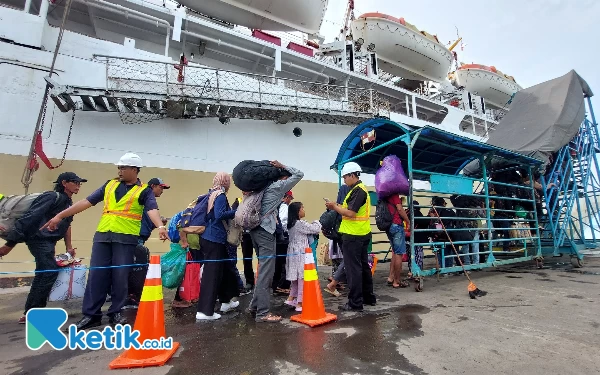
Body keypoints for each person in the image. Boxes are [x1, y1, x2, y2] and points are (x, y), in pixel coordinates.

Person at [42, 153, 168, 330]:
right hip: (103, 236)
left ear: (134, 170)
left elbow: (152, 209)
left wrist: (160, 227)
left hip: (126, 238)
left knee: (120, 276)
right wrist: (60, 216)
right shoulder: (110, 184)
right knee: (96, 275)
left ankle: (116, 312)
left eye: (123, 168)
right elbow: (86, 202)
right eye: (119, 167)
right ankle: (91, 315)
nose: (120, 171)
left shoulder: (144, 190)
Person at [0, 172, 86, 324]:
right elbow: (30, 218)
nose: (78, 185)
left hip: (48, 242)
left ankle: (31, 312)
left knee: (44, 272)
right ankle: (33, 312)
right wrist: (9, 245)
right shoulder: (52, 197)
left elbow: (66, 225)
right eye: (76, 182)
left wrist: (69, 247)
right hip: (38, 240)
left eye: (80, 183)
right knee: (48, 272)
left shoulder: (68, 202)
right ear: (64, 183)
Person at [247, 160, 303, 323]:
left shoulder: (259, 188)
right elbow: (299, 174)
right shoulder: (276, 187)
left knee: (263, 270)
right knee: (267, 273)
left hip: (254, 230)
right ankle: (263, 313)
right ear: (282, 177)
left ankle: (254, 306)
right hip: (265, 232)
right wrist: (283, 165)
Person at [325, 162, 376, 311]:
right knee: (363, 267)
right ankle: (368, 298)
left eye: (345, 177)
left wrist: (334, 207)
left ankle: (355, 303)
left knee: (353, 269)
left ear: (352, 175)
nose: (344, 180)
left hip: (353, 235)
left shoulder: (358, 191)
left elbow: (351, 213)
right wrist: (336, 205)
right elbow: (349, 208)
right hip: (361, 233)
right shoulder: (356, 190)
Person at [196, 172, 239, 321]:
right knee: (211, 275)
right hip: (214, 238)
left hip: (209, 238)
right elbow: (219, 214)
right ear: (225, 182)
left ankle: (225, 301)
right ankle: (205, 311)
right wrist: (237, 212)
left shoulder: (211, 193)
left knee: (224, 270)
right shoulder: (220, 195)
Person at [124, 177, 170, 309]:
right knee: (134, 268)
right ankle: (130, 297)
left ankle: (128, 295)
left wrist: (157, 223)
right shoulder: (146, 199)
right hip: (135, 238)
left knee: (132, 266)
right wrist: (159, 224)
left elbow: (145, 221)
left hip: (138, 237)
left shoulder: (146, 200)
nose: (162, 191)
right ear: (153, 186)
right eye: (161, 187)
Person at [284, 202, 321, 312]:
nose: (304, 210)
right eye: (302, 208)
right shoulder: (300, 224)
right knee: (302, 276)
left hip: (292, 251)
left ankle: (291, 298)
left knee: (295, 277)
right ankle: (300, 303)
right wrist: (317, 222)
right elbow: (315, 229)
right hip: (301, 251)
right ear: (298, 212)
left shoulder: (290, 224)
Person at [384, 195, 411, 288]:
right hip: (396, 225)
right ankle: (397, 281)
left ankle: (391, 278)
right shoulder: (394, 195)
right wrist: (408, 221)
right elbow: (399, 209)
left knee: (395, 252)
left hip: (388, 226)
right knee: (399, 254)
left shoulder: (384, 197)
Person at [273, 190, 293, 294]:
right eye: (290, 198)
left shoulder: (275, 205)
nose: (290, 201)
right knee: (284, 262)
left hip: (275, 237)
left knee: (277, 262)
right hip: (283, 237)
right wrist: (286, 231)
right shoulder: (284, 207)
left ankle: (275, 285)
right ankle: (282, 286)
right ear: (287, 197)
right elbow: (284, 220)